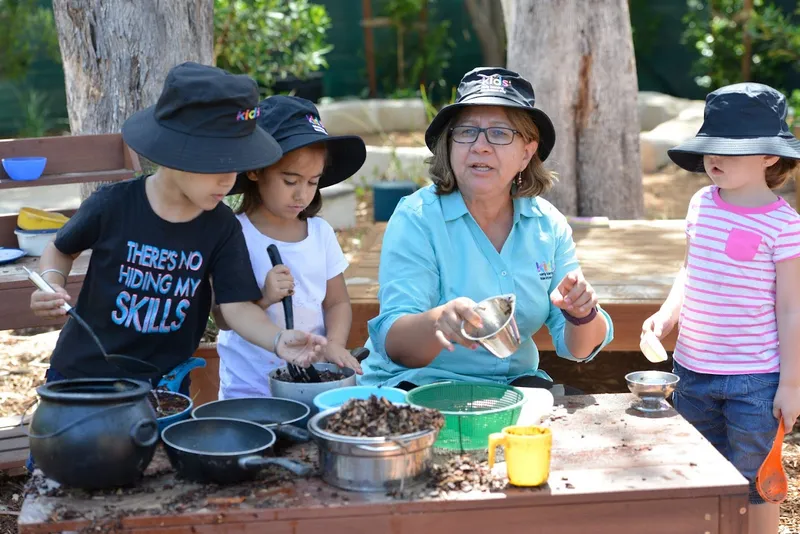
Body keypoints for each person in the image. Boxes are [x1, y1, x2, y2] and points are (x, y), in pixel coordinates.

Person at [29, 63, 329, 395]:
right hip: (82, 377)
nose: (229, 179)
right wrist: (51, 283)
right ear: (174, 151)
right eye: (218, 164)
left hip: (165, 387)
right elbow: (60, 249)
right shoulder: (113, 204)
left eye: (237, 164)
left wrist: (277, 339)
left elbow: (235, 306)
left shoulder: (222, 227)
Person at [357, 67, 614, 393]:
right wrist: (440, 320)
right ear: (449, 144)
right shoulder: (418, 218)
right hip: (415, 386)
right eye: (466, 132)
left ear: (527, 152)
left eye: (500, 133)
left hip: (512, 390)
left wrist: (582, 313)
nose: (480, 146)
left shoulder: (548, 227)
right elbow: (396, 344)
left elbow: (577, 349)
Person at [642, 82, 800, 534]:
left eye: (732, 149)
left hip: (756, 381)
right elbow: (689, 272)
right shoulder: (700, 204)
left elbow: (791, 309)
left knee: (756, 482)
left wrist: (791, 384)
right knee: (698, 472)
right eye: (712, 147)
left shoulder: (785, 226)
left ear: (770, 155)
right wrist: (666, 316)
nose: (716, 158)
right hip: (691, 370)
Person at [212, 96, 366, 398]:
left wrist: (333, 343)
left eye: (312, 182)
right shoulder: (234, 233)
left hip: (311, 382)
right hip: (248, 390)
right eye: (290, 180)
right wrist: (264, 298)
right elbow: (221, 317)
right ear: (256, 171)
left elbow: (337, 302)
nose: (302, 195)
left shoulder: (320, 233)